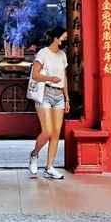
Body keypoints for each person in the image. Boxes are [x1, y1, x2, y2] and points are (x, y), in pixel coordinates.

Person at [28, 25, 69, 179]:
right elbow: (35, 75)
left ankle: (49, 167)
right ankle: (34, 154)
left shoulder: (63, 55)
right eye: (63, 38)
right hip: (45, 93)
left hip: (59, 95)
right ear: (56, 38)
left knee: (57, 132)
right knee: (47, 131)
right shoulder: (43, 53)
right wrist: (50, 78)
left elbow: (64, 77)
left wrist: (67, 98)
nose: (65, 40)